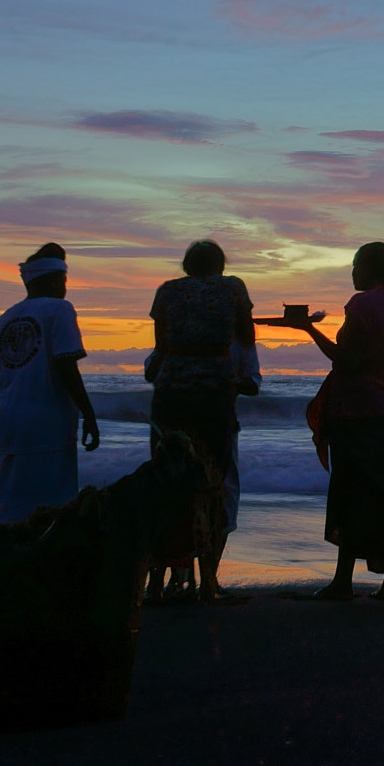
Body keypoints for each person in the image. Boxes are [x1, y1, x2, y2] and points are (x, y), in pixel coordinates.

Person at [144, 239, 257, 601]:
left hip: (170, 395)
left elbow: (161, 348)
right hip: (212, 395)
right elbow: (246, 336)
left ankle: (158, 583)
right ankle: (208, 583)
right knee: (211, 483)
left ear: (186, 266)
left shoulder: (166, 291)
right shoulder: (233, 288)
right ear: (221, 266)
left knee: (166, 480)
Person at [303, 241, 384, 601]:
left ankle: (342, 581)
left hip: (355, 405)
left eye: (356, 266)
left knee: (350, 487)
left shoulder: (363, 304)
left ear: (371, 268)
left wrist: (307, 329)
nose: (352, 273)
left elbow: (344, 359)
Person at [0, 243, 101, 524]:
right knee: (52, 513)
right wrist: (88, 414)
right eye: (64, 281)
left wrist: (14, 390)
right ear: (56, 280)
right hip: (48, 427)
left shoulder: (4, 318)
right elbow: (66, 365)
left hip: (9, 428)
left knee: (9, 511)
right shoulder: (59, 309)